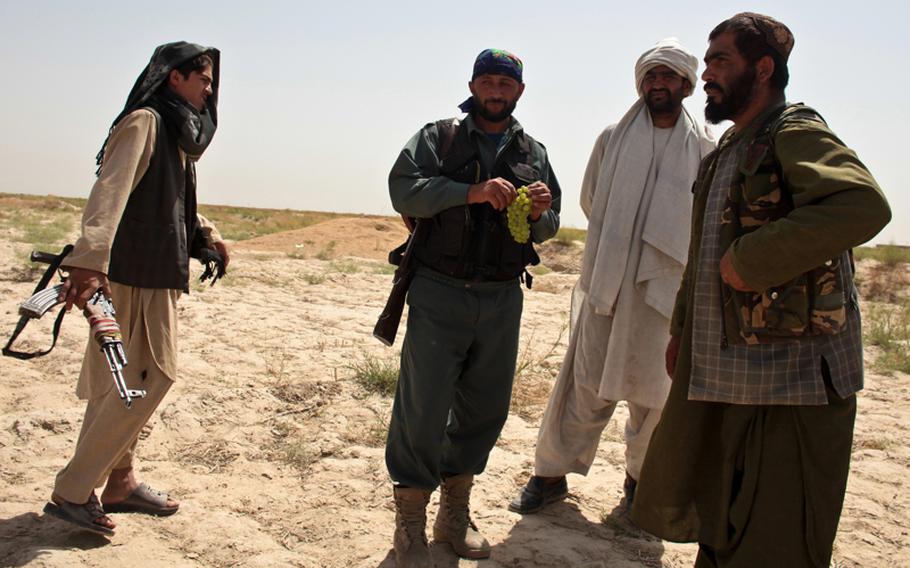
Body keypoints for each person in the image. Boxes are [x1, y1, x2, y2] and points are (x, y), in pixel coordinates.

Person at [629, 13, 891, 567]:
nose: (707, 76)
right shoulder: (732, 146)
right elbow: (704, 255)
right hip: (730, 374)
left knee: (776, 538)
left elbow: (861, 205)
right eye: (707, 63)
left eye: (721, 61)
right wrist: (682, 333)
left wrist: (756, 260)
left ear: (764, 68)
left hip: (793, 383)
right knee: (721, 524)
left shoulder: (793, 131)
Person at [509, 38, 715, 516]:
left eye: (668, 75)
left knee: (657, 397)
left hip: (666, 293)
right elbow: (591, 201)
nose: (658, 83)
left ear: (686, 84)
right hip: (609, 285)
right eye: (651, 75)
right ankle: (550, 476)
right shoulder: (612, 138)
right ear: (641, 83)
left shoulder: (707, 145)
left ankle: (641, 487)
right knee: (584, 384)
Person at [44, 42, 228, 537]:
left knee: (115, 382)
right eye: (203, 80)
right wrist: (87, 261)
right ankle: (73, 489)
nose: (210, 90)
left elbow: (168, 200)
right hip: (132, 275)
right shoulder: (145, 121)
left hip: (154, 271)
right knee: (149, 377)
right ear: (175, 78)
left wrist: (203, 233)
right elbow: (111, 190)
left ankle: (120, 481)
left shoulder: (172, 132)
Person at [385, 48, 560, 566]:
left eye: (505, 84)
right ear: (473, 86)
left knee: (485, 408)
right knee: (423, 406)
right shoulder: (439, 138)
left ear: (519, 92)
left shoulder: (533, 149)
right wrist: (472, 192)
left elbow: (547, 230)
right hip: (440, 290)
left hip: (503, 296)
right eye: (487, 81)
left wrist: (544, 211)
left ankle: (454, 514)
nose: (496, 91)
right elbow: (403, 190)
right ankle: (411, 524)